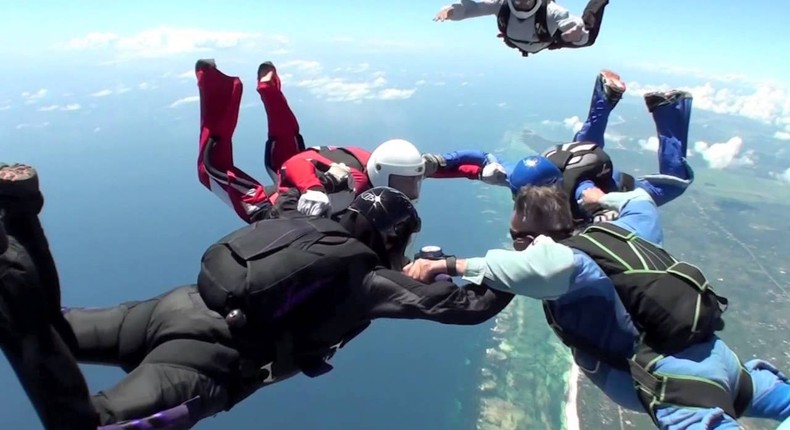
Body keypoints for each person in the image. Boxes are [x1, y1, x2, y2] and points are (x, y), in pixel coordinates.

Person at [0, 163, 514, 429]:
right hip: (210, 359)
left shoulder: (297, 219)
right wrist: (519, 265)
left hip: (170, 307)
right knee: (84, 425)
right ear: (391, 237)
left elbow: (283, 190)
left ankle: (18, 211)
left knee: (54, 328)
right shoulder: (364, 277)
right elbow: (465, 308)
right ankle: (14, 289)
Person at [403, 183, 790, 429]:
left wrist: (445, 264)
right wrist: (598, 196)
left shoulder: (564, 263)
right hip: (724, 361)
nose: (515, 243)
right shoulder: (620, 232)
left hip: (677, 386)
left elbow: (525, 266)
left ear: (529, 238)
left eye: (516, 236)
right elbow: (641, 201)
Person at [195, 58, 490, 223]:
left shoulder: (395, 166)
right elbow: (298, 165)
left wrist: (477, 172)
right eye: (408, 184)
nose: (411, 191)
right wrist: (313, 190)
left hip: (311, 172)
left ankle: (270, 90)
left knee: (284, 148)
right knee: (211, 173)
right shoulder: (358, 179)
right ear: (380, 174)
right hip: (293, 189)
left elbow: (439, 167)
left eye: (415, 182)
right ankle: (214, 84)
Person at [423, 70, 695, 223]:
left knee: (675, 183)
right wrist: (440, 161)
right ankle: (610, 95)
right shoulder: (523, 177)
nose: (524, 201)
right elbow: (481, 157)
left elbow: (591, 196)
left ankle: (668, 108)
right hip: (580, 158)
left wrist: (605, 210)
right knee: (587, 145)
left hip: (611, 182)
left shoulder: (575, 190)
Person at [433, 0, 609, 57]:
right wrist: (452, 10)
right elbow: (473, 8)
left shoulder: (552, 10)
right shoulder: (501, 5)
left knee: (589, 36)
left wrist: (577, 33)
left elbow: (569, 22)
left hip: (551, 40)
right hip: (528, 41)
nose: (523, 4)